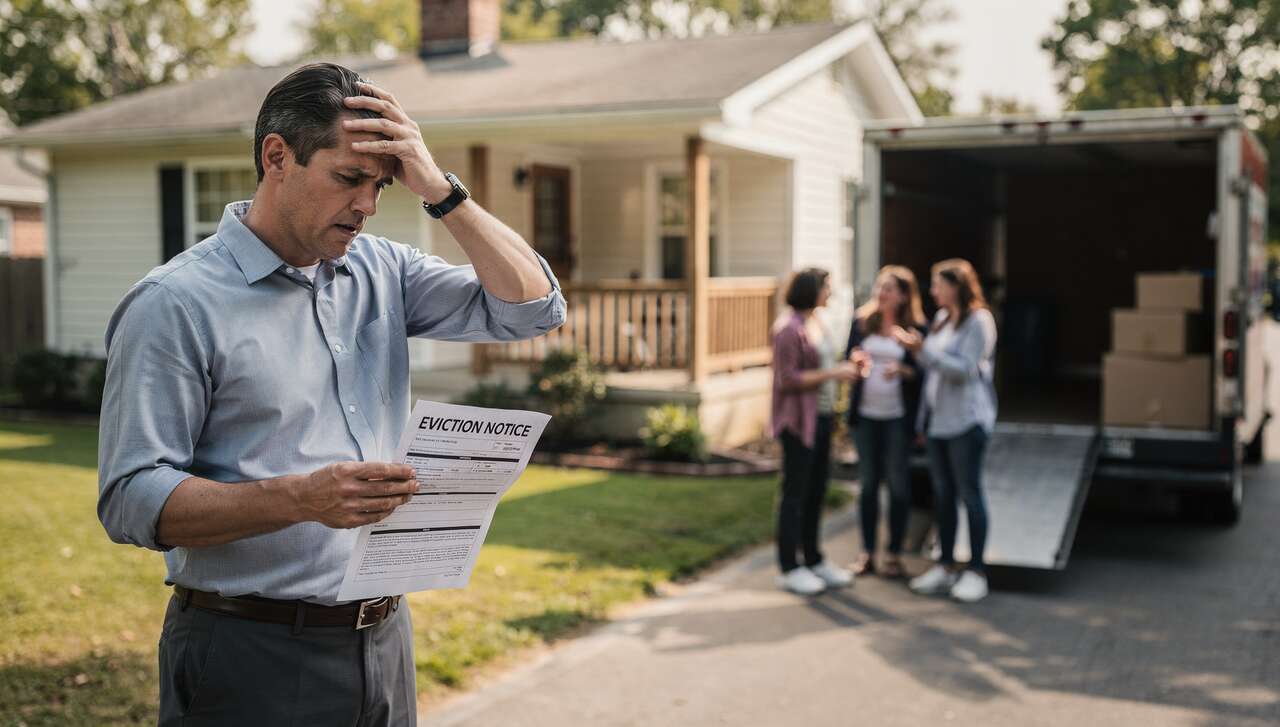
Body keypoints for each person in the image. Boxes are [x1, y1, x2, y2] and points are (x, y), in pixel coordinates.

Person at [96, 63, 566, 726]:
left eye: (381, 185)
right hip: (247, 651)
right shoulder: (175, 304)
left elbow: (533, 308)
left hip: (383, 641)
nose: (368, 206)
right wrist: (300, 498)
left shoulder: (384, 269)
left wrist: (439, 189)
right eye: (349, 178)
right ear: (277, 156)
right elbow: (130, 498)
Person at [891, 258, 997, 603]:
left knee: (970, 493)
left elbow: (964, 370)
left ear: (957, 287)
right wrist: (916, 353)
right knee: (943, 495)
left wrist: (923, 351)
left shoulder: (979, 322)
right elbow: (933, 373)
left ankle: (977, 570)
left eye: (938, 285)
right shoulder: (940, 320)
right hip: (938, 423)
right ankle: (946, 565)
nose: (933, 291)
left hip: (966, 422)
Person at [770, 268, 865, 595]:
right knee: (795, 493)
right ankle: (789, 566)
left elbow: (825, 364)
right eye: (827, 287)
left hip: (822, 418)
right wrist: (833, 374)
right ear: (811, 290)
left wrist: (846, 365)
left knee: (817, 491)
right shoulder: (788, 329)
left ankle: (813, 559)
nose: (831, 293)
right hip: (797, 422)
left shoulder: (817, 322)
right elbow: (787, 378)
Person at [844, 266, 927, 579]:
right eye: (880, 287)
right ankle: (867, 552)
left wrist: (905, 371)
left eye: (889, 288)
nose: (882, 293)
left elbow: (925, 373)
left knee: (898, 486)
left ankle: (894, 553)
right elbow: (848, 355)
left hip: (897, 419)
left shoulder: (917, 328)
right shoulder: (862, 321)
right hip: (865, 417)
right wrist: (855, 363)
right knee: (867, 486)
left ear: (904, 295)